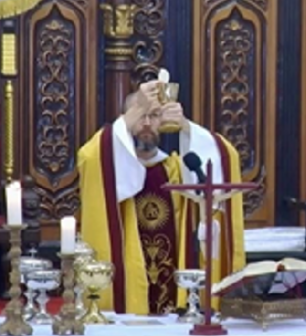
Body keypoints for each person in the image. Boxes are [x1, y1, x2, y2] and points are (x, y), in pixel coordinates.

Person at [77, 80, 245, 316]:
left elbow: (226, 159)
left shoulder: (176, 169)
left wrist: (186, 126)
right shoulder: (112, 168)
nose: (146, 123)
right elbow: (89, 156)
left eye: (154, 116)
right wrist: (136, 110)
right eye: (140, 116)